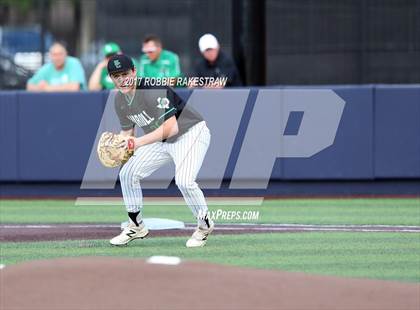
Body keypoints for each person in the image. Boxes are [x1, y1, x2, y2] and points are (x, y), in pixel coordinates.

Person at [107, 54, 213, 248]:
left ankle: (204, 226)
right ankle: (136, 225)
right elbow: (127, 133)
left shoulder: (152, 89)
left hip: (190, 133)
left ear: (134, 72)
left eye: (125, 74)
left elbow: (171, 128)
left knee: (184, 181)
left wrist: (136, 143)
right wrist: (118, 147)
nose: (121, 79)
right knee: (127, 173)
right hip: (160, 139)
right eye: (116, 76)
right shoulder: (119, 101)